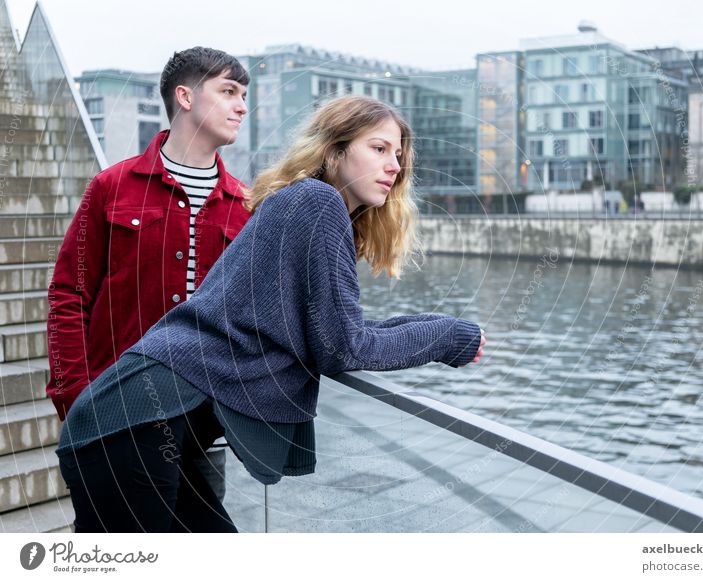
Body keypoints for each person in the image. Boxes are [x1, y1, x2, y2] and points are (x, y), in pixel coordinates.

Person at [56, 95, 487, 533]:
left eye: (398, 155)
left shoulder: (308, 206)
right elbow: (344, 348)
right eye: (378, 149)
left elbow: (337, 331)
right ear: (334, 151)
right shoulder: (316, 202)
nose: (394, 166)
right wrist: (446, 338)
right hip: (127, 427)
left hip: (144, 430)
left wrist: (437, 325)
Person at [47, 47, 251, 503]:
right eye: (229, 91)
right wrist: (76, 397)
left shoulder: (245, 205)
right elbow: (69, 293)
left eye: (244, 95)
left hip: (203, 421)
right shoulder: (112, 187)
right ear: (185, 96)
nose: (241, 106)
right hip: (114, 413)